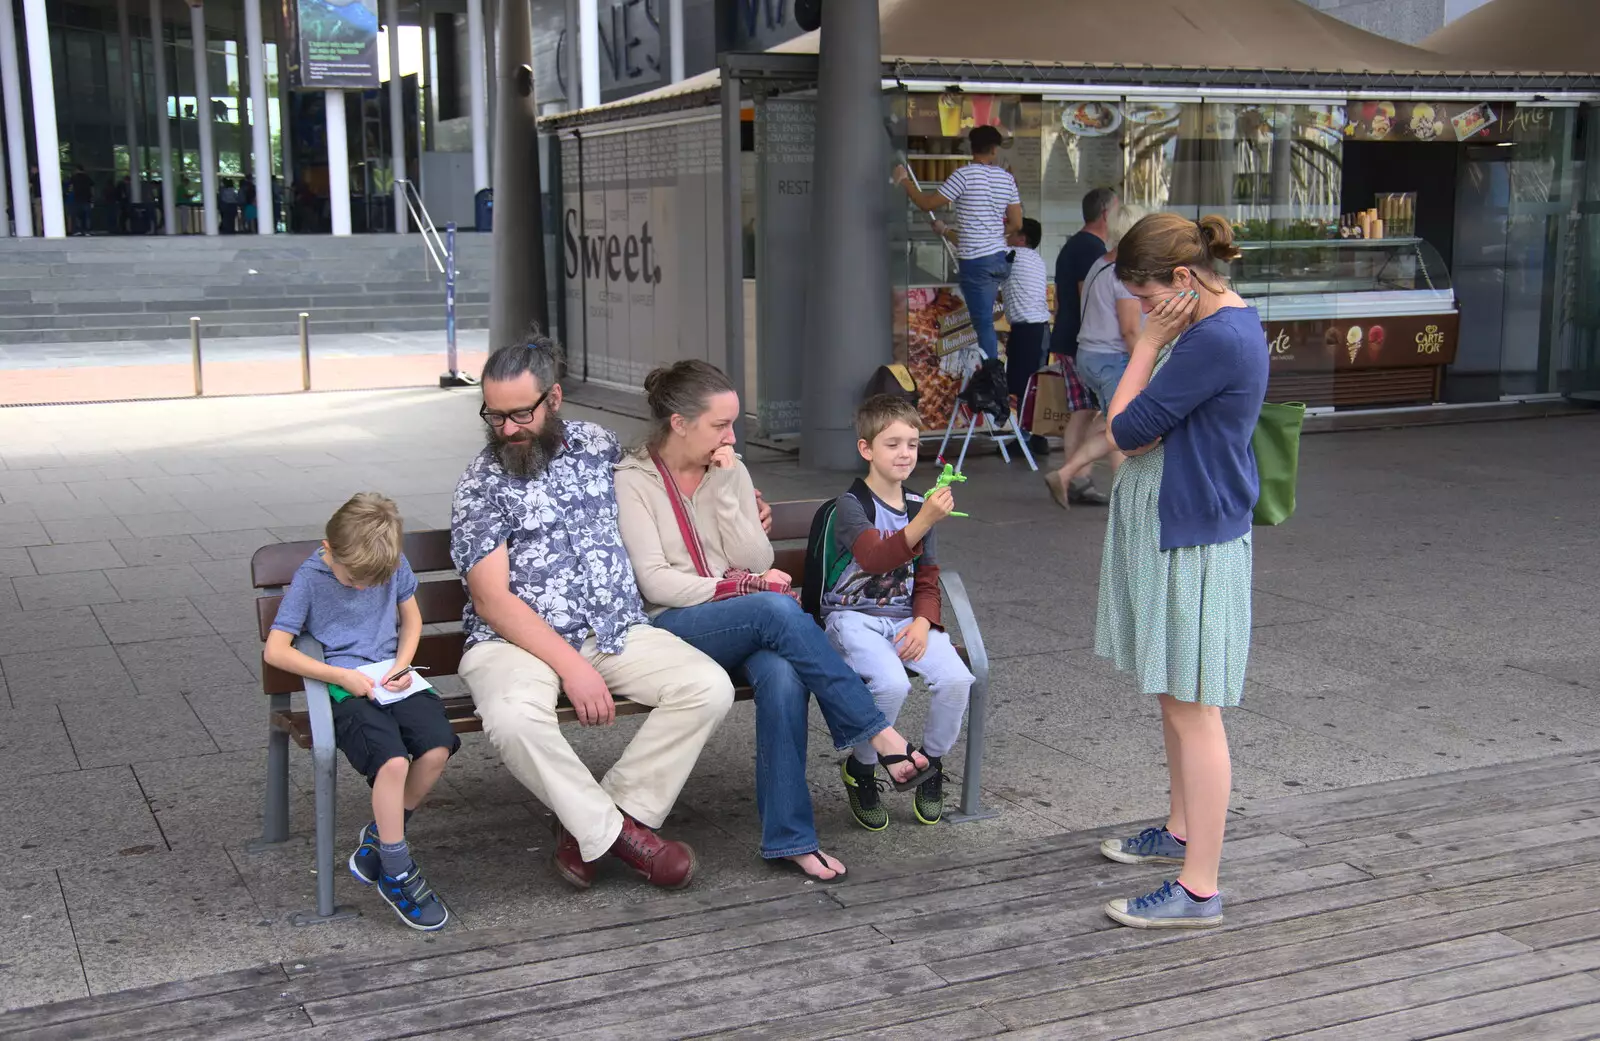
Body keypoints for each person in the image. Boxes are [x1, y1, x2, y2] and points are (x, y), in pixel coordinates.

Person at [614, 361, 936, 878]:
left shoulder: (729, 467)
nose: (732, 436)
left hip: (748, 619)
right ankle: (880, 734)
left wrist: (724, 490)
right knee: (773, 605)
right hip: (672, 627)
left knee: (784, 673)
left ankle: (790, 839)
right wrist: (740, 586)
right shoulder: (634, 481)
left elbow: (757, 558)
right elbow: (655, 583)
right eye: (720, 425)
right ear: (679, 423)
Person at [450, 334, 735, 892]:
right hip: (512, 643)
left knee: (708, 687)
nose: (507, 429)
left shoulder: (597, 445)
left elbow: (663, 489)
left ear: (554, 399)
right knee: (512, 718)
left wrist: (736, 503)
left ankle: (598, 820)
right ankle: (623, 838)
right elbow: (492, 599)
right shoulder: (480, 483)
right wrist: (573, 669)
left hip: (613, 628)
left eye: (521, 414)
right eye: (495, 415)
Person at [1093, 213, 1268, 930]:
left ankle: (1200, 887)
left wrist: (1148, 344)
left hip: (1191, 533)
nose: (1138, 309)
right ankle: (1182, 829)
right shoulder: (1214, 325)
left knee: (1194, 707)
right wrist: (1159, 334)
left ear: (1184, 281)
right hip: (1183, 525)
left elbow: (1125, 430)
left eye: (1143, 295)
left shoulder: (1212, 337)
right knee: (1176, 694)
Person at [263, 493, 457, 932]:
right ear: (329, 549)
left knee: (437, 747)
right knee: (390, 760)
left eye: (374, 581)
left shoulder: (389, 563)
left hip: (392, 680)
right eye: (354, 580)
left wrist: (403, 663)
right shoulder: (311, 578)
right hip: (345, 688)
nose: (365, 588)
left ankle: (380, 838)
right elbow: (277, 650)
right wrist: (339, 676)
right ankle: (396, 869)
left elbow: (411, 620)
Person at [825, 396, 975, 828]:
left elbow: (927, 576)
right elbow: (873, 558)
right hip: (851, 618)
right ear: (866, 449)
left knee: (957, 678)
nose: (905, 453)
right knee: (891, 685)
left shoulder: (916, 503)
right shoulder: (850, 505)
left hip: (905, 619)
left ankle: (930, 762)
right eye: (892, 444)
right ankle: (863, 769)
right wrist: (924, 519)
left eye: (912, 443)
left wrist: (925, 622)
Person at [894, 125, 1022, 361]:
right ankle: (988, 370)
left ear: (971, 148)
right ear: (994, 150)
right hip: (999, 260)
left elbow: (927, 204)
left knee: (983, 323)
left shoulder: (963, 175)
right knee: (985, 321)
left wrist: (904, 181)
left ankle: (991, 376)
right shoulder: (1007, 179)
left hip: (977, 263)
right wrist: (991, 234)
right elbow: (1015, 223)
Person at [1043, 245, 1140, 508]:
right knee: (1121, 429)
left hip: (1090, 354)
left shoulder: (1100, 263)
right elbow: (1130, 330)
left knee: (1103, 421)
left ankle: (1068, 475)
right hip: (1111, 358)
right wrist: (1145, 364)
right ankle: (1126, 502)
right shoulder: (1124, 274)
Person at [1051, 187, 1120, 359]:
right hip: (1079, 346)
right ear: (1106, 214)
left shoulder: (1075, 244)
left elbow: (1058, 298)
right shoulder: (1091, 249)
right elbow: (1090, 300)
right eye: (1118, 212)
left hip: (1067, 339)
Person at [1000, 217, 1051, 428]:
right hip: (1034, 330)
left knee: (1027, 388)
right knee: (1029, 387)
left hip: (1030, 331)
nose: (1006, 235)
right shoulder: (1035, 259)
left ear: (1022, 239)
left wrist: (945, 230)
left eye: (1011, 232)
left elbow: (984, 251)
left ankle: (1029, 438)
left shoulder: (1015, 255)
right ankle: (1032, 436)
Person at [69, 166, 94, 236]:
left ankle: (78, 230)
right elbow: (92, 188)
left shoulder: (74, 178)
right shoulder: (87, 178)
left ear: (77, 170)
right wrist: (92, 198)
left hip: (77, 199)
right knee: (87, 216)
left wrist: (69, 194)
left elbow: (71, 188)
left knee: (78, 216)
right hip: (87, 199)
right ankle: (87, 230)